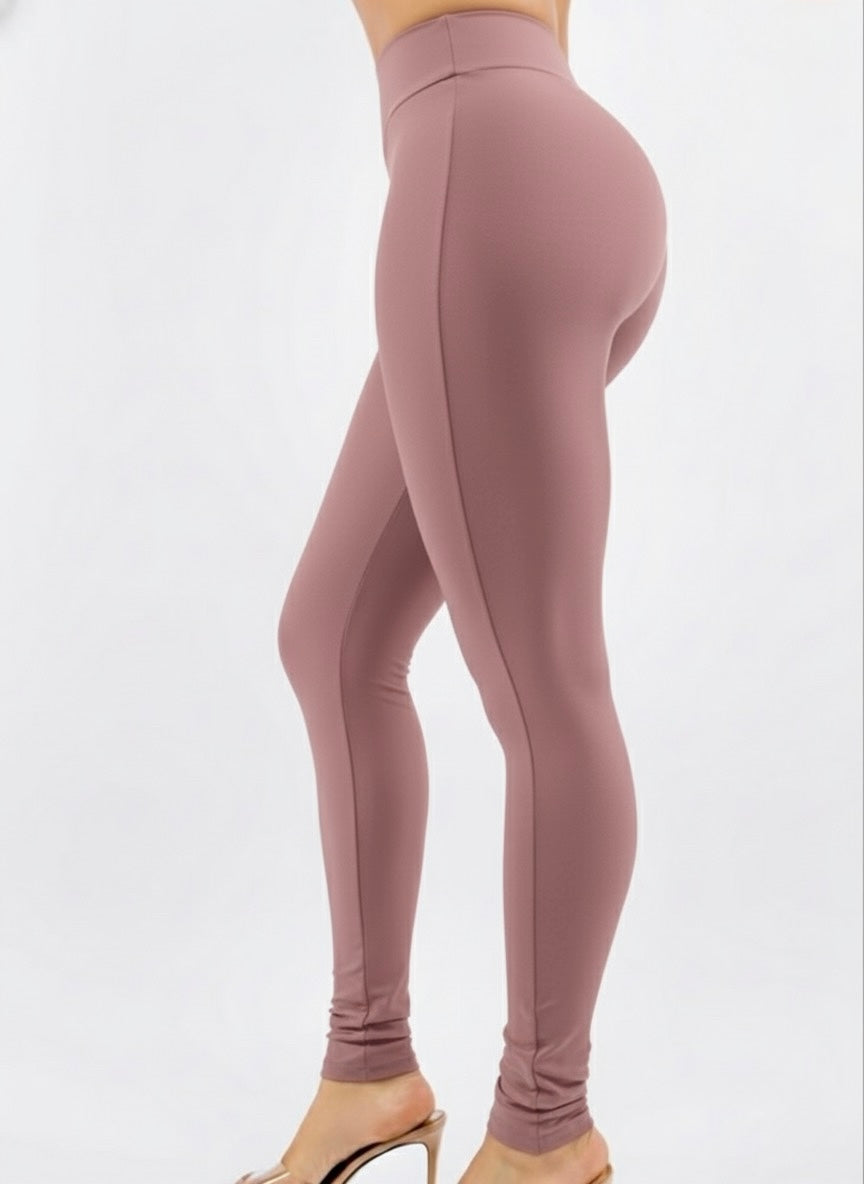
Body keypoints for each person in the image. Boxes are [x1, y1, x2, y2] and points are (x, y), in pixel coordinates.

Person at [234, 3, 667, 1182]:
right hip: (554, 151)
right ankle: (367, 1069)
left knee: (542, 684)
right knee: (333, 632)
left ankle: (544, 1129)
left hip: (480, 164)